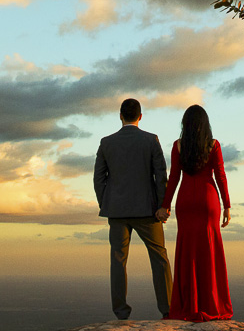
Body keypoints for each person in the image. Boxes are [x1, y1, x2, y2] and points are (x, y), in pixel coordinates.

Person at [94, 98, 172, 320]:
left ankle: (121, 313)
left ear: (120, 116)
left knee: (118, 260)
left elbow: (98, 178)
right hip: (148, 211)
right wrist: (162, 206)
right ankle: (168, 309)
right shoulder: (150, 140)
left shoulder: (106, 142)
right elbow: (161, 175)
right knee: (159, 257)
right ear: (140, 116)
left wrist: (106, 203)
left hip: (117, 211)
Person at [159, 104, 233, 322]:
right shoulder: (213, 145)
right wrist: (227, 205)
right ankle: (211, 303)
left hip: (185, 200)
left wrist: (165, 205)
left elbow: (174, 177)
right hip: (208, 201)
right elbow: (220, 175)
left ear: (185, 124)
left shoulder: (178, 146)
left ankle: (188, 304)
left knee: (187, 251)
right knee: (209, 250)